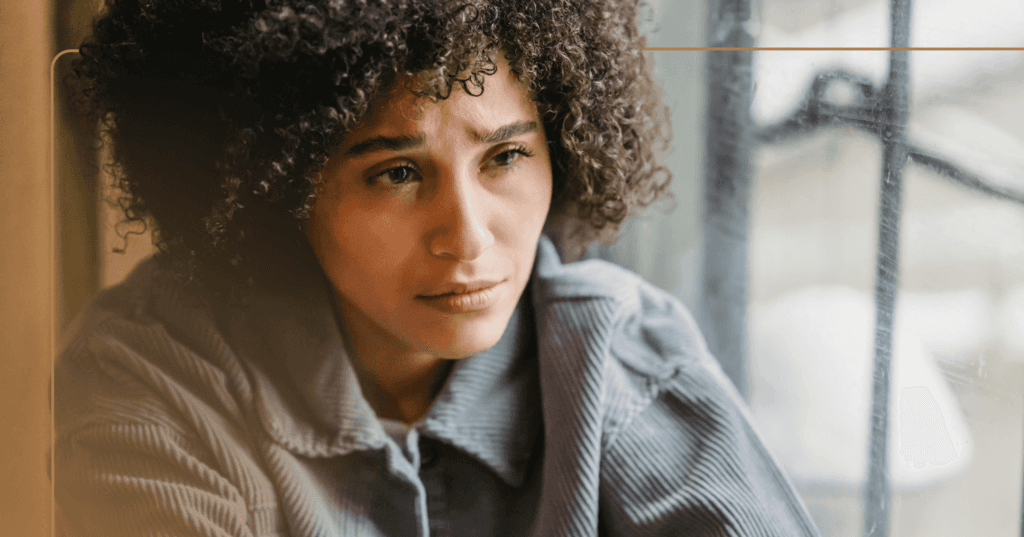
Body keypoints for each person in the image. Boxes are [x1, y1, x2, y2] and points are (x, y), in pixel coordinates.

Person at [56, 0, 821, 535]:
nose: (468, 237)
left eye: (507, 156)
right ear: (275, 181)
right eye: (396, 173)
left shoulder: (623, 359)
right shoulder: (152, 376)